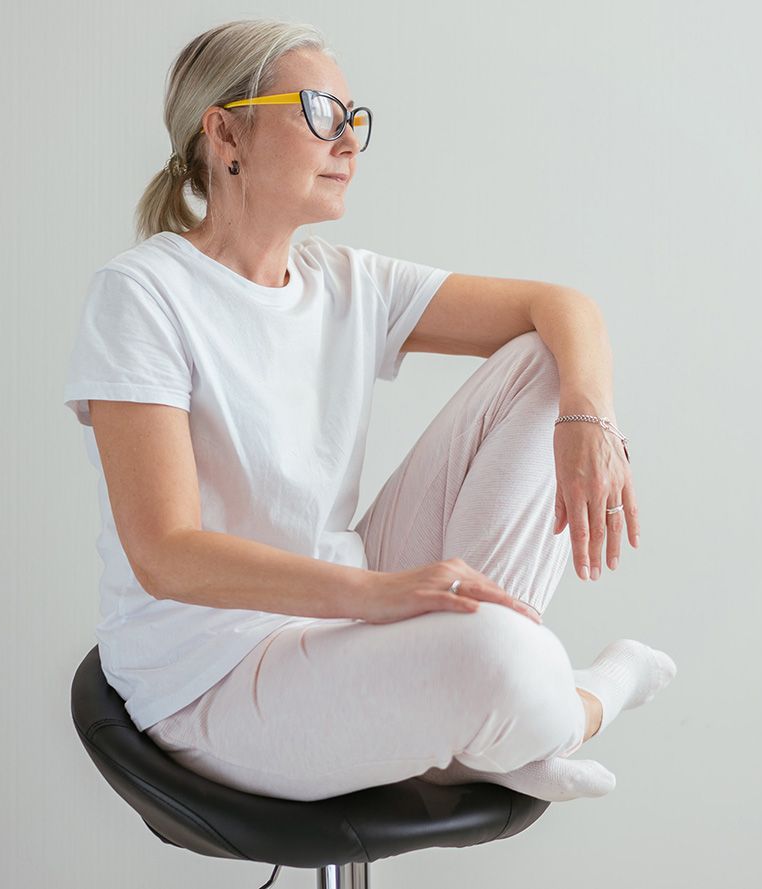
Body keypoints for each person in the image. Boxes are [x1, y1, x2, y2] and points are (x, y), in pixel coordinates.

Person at [61, 18, 675, 803]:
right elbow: (166, 553)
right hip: (212, 673)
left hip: (342, 612)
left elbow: (562, 307)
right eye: (320, 113)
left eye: (354, 119)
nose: (348, 141)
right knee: (504, 660)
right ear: (226, 134)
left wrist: (588, 417)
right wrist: (382, 596)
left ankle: (503, 705)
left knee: (545, 362)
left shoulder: (347, 283)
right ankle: (580, 699)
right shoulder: (143, 294)